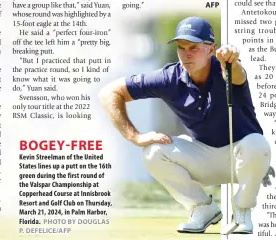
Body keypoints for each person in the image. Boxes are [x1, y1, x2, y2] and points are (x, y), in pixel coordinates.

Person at [99, 16, 274, 234]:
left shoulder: (227, 68)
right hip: (203, 158)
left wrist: (231, 61)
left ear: (211, 49)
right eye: (182, 48)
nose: (186, 54)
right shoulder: (169, 77)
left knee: (257, 143)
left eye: (194, 47)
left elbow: (237, 76)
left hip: (242, 156)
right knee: (153, 151)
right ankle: (203, 209)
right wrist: (134, 136)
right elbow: (110, 93)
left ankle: (242, 213)